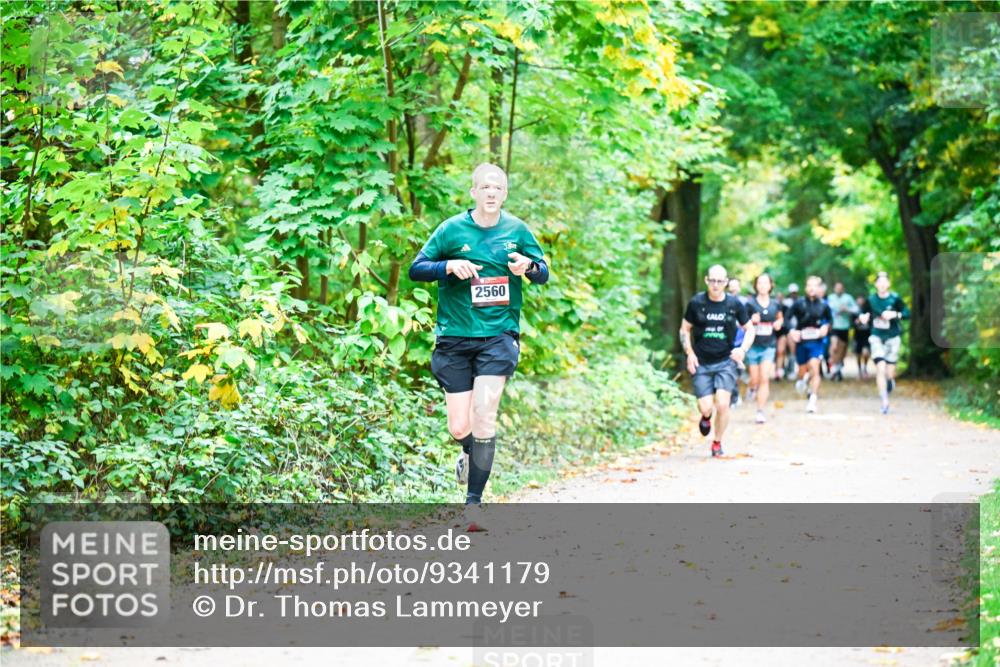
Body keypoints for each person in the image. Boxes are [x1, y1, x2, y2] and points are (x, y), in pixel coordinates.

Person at [408, 163, 549, 519]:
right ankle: (471, 451)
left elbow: (543, 271)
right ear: (473, 192)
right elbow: (416, 269)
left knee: (484, 414)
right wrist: (448, 267)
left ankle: (474, 503)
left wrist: (527, 268)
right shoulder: (451, 230)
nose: (490, 193)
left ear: (504, 194)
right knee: (460, 426)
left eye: (497, 188)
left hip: (498, 337)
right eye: (484, 187)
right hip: (455, 336)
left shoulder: (517, 230)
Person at [680, 265, 755, 457]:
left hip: (726, 361)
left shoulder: (734, 304)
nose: (716, 285)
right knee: (706, 407)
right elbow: (684, 329)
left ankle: (717, 442)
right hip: (702, 361)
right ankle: (706, 417)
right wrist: (690, 353)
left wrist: (742, 349)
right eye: (712, 280)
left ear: (726, 282)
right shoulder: (697, 303)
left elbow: (750, 329)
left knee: (723, 404)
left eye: (720, 281)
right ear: (706, 280)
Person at [858, 271, 909, 414]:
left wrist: (896, 314)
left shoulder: (895, 299)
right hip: (877, 336)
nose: (882, 285)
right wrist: (863, 317)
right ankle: (884, 401)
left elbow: (907, 313)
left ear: (888, 284)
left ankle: (890, 381)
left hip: (893, 337)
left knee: (889, 372)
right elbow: (862, 313)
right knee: (880, 368)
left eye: (884, 282)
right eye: (879, 282)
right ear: (875, 285)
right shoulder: (871, 300)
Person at [790, 276, 832, 413]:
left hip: (816, 342)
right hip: (802, 341)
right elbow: (786, 318)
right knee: (803, 371)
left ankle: (813, 399)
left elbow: (830, 321)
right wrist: (792, 331)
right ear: (806, 287)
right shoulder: (798, 303)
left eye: (815, 285)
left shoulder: (824, 305)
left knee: (814, 367)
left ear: (819, 288)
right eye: (809, 285)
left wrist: (826, 327)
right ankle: (803, 379)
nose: (812, 288)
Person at [745, 273, 783, 424]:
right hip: (753, 345)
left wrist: (779, 323)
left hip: (769, 345)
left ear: (770, 286)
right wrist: (751, 321)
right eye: (759, 283)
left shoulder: (775, 304)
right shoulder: (750, 304)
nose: (762, 286)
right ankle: (751, 387)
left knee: (764, 378)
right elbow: (742, 322)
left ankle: (760, 411)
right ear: (756, 286)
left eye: (765, 283)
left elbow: (780, 317)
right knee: (755, 379)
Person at [827, 281, 857, 382]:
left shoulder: (848, 298)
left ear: (843, 289)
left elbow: (856, 309)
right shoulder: (830, 298)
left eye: (840, 288)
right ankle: (833, 365)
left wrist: (847, 309)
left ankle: (837, 368)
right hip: (834, 326)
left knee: (842, 351)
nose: (838, 289)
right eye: (837, 288)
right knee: (834, 346)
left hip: (845, 327)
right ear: (834, 288)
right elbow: (825, 309)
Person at [727, 278, 749, 407]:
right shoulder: (723, 302)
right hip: (727, 342)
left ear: (740, 288)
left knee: (737, 371)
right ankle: (734, 397)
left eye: (736, 286)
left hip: (741, 342)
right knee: (731, 370)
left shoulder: (745, 302)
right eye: (731, 286)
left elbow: (752, 320)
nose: (733, 289)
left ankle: (736, 393)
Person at [779, 283, 800, 379]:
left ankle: (791, 369)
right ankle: (783, 370)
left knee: (794, 351)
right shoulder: (786, 303)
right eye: (792, 293)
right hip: (787, 330)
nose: (794, 294)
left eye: (795, 293)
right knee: (783, 351)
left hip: (798, 329)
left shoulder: (800, 302)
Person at [852, 295, 872, 379]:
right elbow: (853, 323)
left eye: (861, 299)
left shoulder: (869, 310)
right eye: (858, 299)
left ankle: (865, 368)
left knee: (866, 353)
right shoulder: (854, 311)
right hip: (857, 335)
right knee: (858, 354)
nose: (860, 301)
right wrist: (858, 321)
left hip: (867, 335)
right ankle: (859, 370)